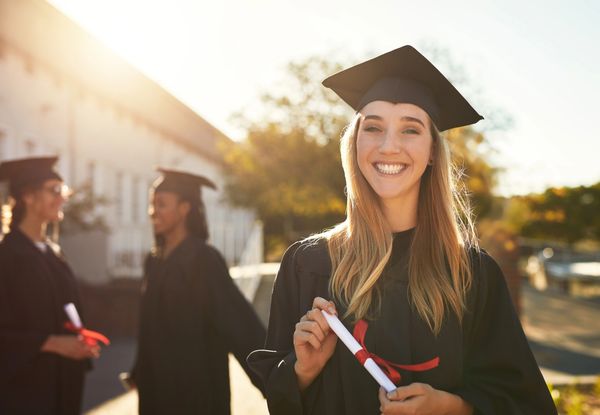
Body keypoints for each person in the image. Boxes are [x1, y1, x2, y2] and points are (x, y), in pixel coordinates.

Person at [248, 46, 557, 414]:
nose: (388, 145)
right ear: (355, 144)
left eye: (410, 129)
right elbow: (279, 403)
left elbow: (525, 403)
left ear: (431, 152)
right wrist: (303, 371)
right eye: (373, 127)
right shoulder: (309, 264)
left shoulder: (472, 274)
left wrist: (453, 408)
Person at [129, 168, 266, 415]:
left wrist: (277, 377)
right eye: (152, 204)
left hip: (196, 388)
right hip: (157, 388)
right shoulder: (155, 260)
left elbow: (237, 322)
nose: (153, 212)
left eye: (161, 205)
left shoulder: (203, 260)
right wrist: (140, 369)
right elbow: (148, 323)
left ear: (185, 208)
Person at [0, 156, 100, 415]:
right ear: (28, 196)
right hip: (25, 393)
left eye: (62, 190)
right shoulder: (7, 257)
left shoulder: (52, 254)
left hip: (62, 387)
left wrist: (80, 339)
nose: (62, 198)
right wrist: (52, 343)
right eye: (54, 190)